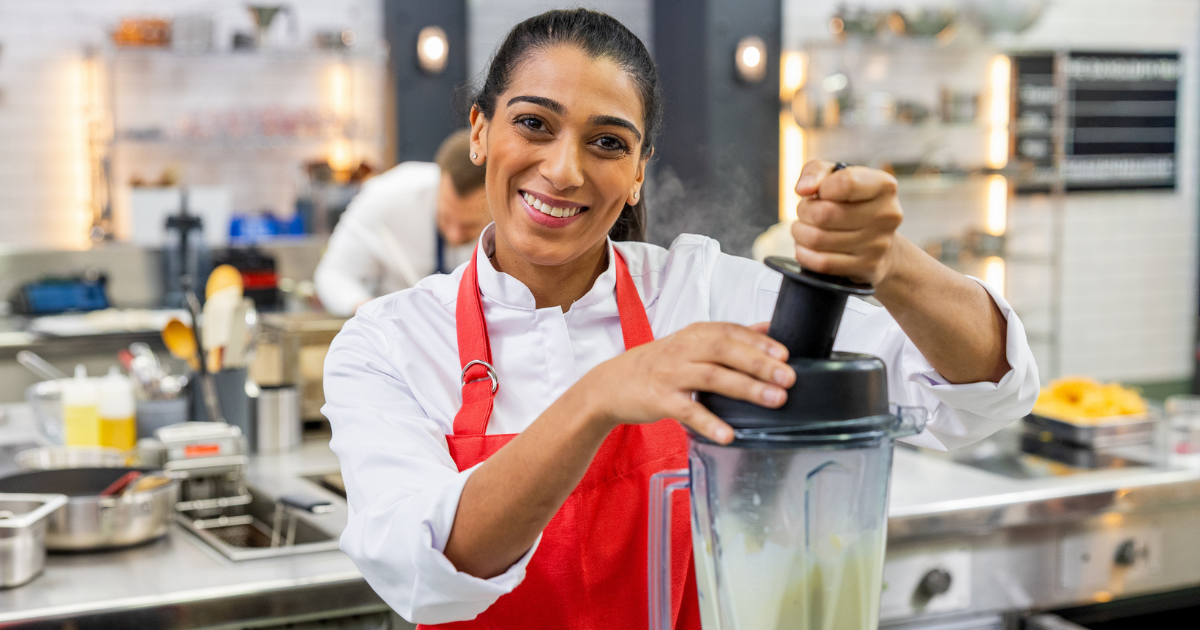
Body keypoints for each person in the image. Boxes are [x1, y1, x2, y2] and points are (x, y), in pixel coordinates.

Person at [323, 9, 1038, 628]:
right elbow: (426, 571)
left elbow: (980, 395)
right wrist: (600, 396)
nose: (565, 170)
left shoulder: (702, 294)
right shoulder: (387, 343)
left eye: (608, 142)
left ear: (638, 171)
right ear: (480, 131)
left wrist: (891, 263)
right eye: (534, 124)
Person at [314, 130, 490, 316]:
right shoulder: (385, 198)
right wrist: (372, 313)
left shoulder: (508, 210)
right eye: (445, 217)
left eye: (469, 227)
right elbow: (334, 276)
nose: (454, 235)